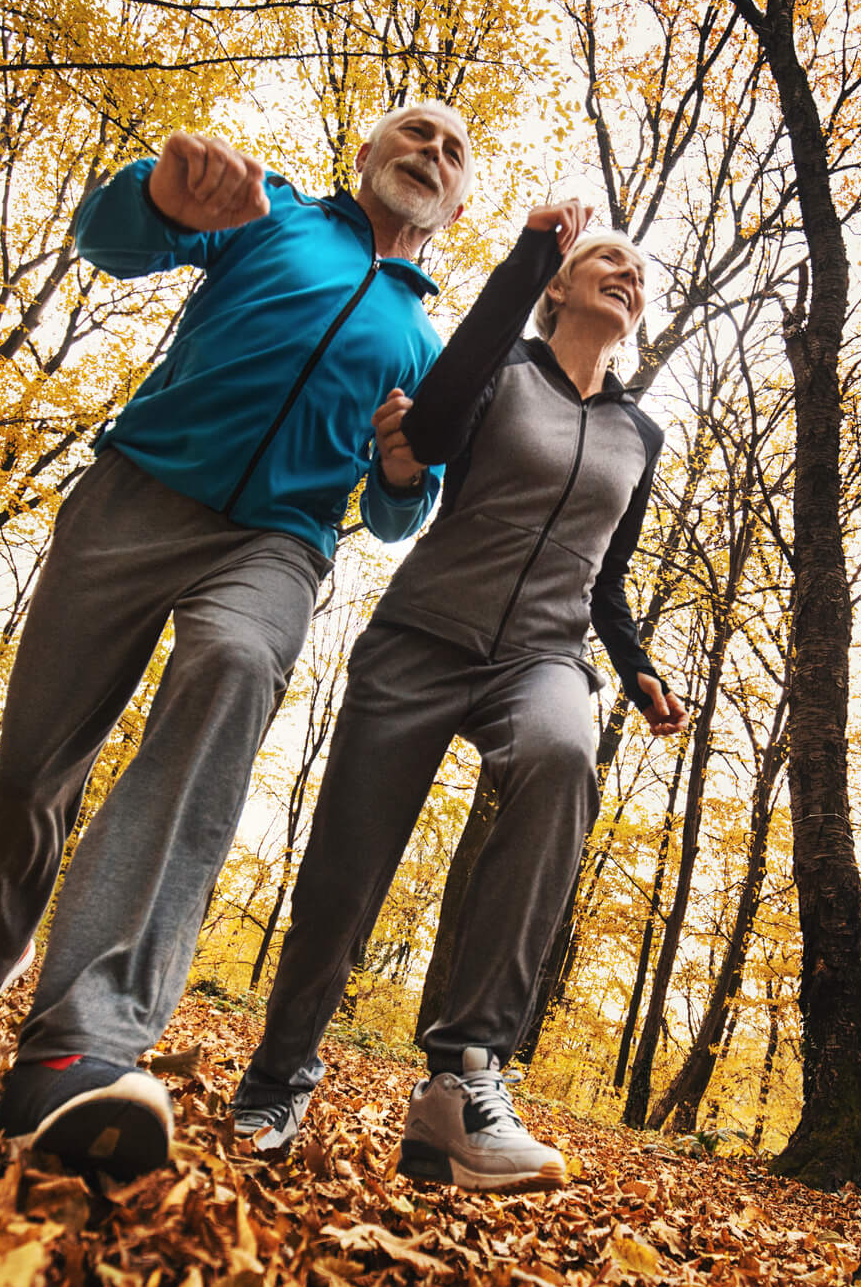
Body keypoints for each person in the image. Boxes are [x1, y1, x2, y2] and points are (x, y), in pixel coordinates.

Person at [0, 104, 476, 1185]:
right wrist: (153, 197)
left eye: (454, 153)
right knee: (32, 768)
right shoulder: (269, 220)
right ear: (363, 155)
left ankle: (84, 1042)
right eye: (413, 133)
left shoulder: (429, 344)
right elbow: (114, 241)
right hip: (136, 497)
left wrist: (407, 474)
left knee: (231, 666)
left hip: (278, 545)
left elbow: (403, 507)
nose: (430, 154)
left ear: (460, 206)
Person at [227, 206, 691, 1193]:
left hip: (543, 654)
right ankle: (278, 1075)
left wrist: (637, 658)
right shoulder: (504, 368)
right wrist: (529, 255)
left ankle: (464, 1075)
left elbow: (608, 580)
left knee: (566, 755)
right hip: (426, 636)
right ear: (559, 286)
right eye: (607, 258)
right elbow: (429, 430)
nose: (627, 274)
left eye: (639, 272)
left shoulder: (638, 433)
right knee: (346, 876)